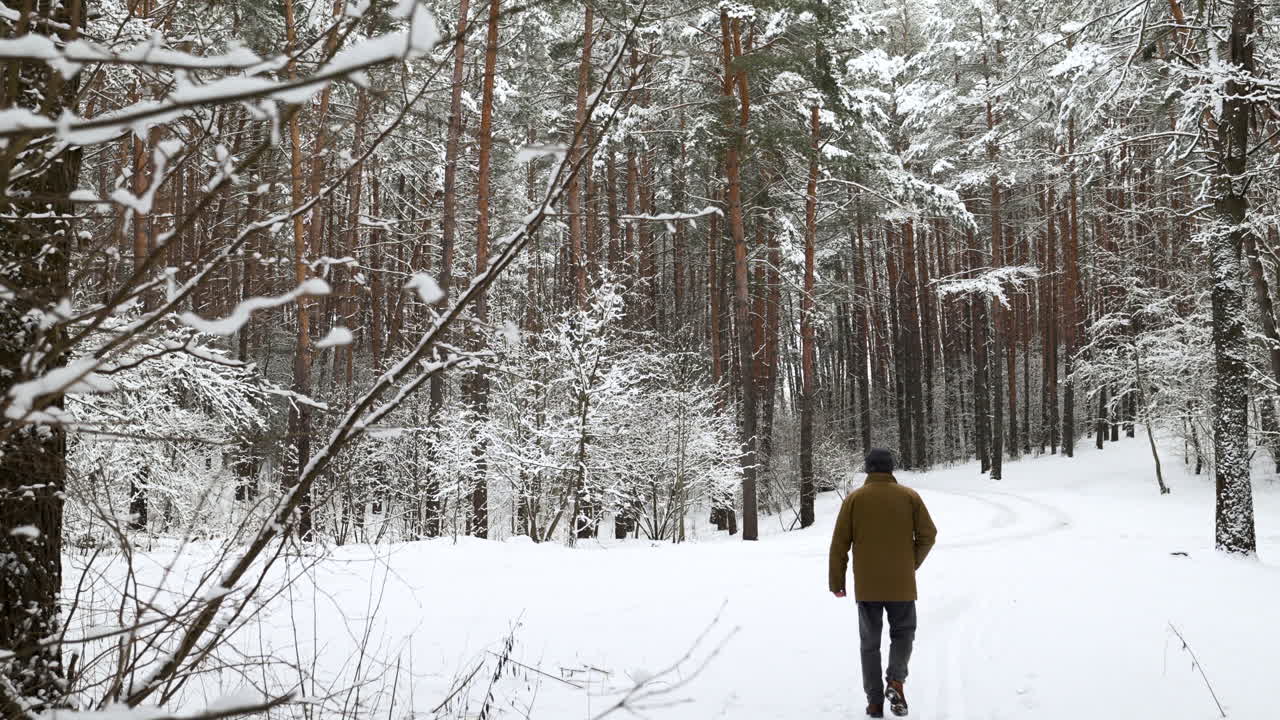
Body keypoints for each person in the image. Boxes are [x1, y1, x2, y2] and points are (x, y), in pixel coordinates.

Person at [829, 448, 937, 718]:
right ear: (891, 469)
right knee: (903, 633)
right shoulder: (909, 497)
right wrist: (910, 563)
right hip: (901, 584)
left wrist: (836, 581)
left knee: (870, 644)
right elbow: (928, 534)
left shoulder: (854, 500)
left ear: (867, 469)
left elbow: (839, 545)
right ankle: (896, 680)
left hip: (867, 586)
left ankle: (875, 703)